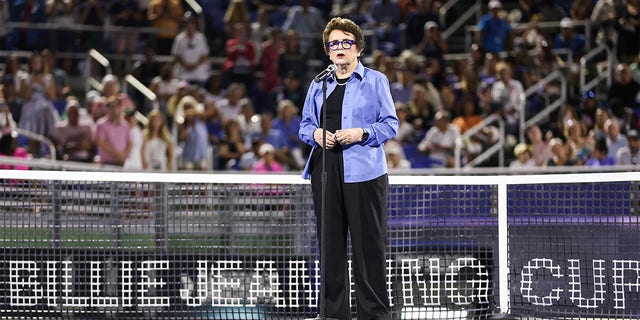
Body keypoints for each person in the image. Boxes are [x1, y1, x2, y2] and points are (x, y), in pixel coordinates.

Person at [298, 17, 398, 320]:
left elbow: (390, 124)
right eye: (334, 44)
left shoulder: (376, 80)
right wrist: (316, 135)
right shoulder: (319, 84)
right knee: (330, 246)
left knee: (369, 247)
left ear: (359, 48)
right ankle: (331, 313)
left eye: (346, 42)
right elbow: (304, 125)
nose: (340, 48)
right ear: (328, 52)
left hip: (364, 172)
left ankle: (374, 314)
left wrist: (362, 133)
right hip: (325, 171)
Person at [94, 96, 131, 166]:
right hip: (106, 164)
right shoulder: (101, 124)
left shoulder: (126, 125)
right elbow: (101, 143)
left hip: (122, 163)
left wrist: (124, 155)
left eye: (118, 106)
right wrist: (117, 154)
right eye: (112, 107)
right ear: (108, 109)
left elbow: (130, 143)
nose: (115, 109)